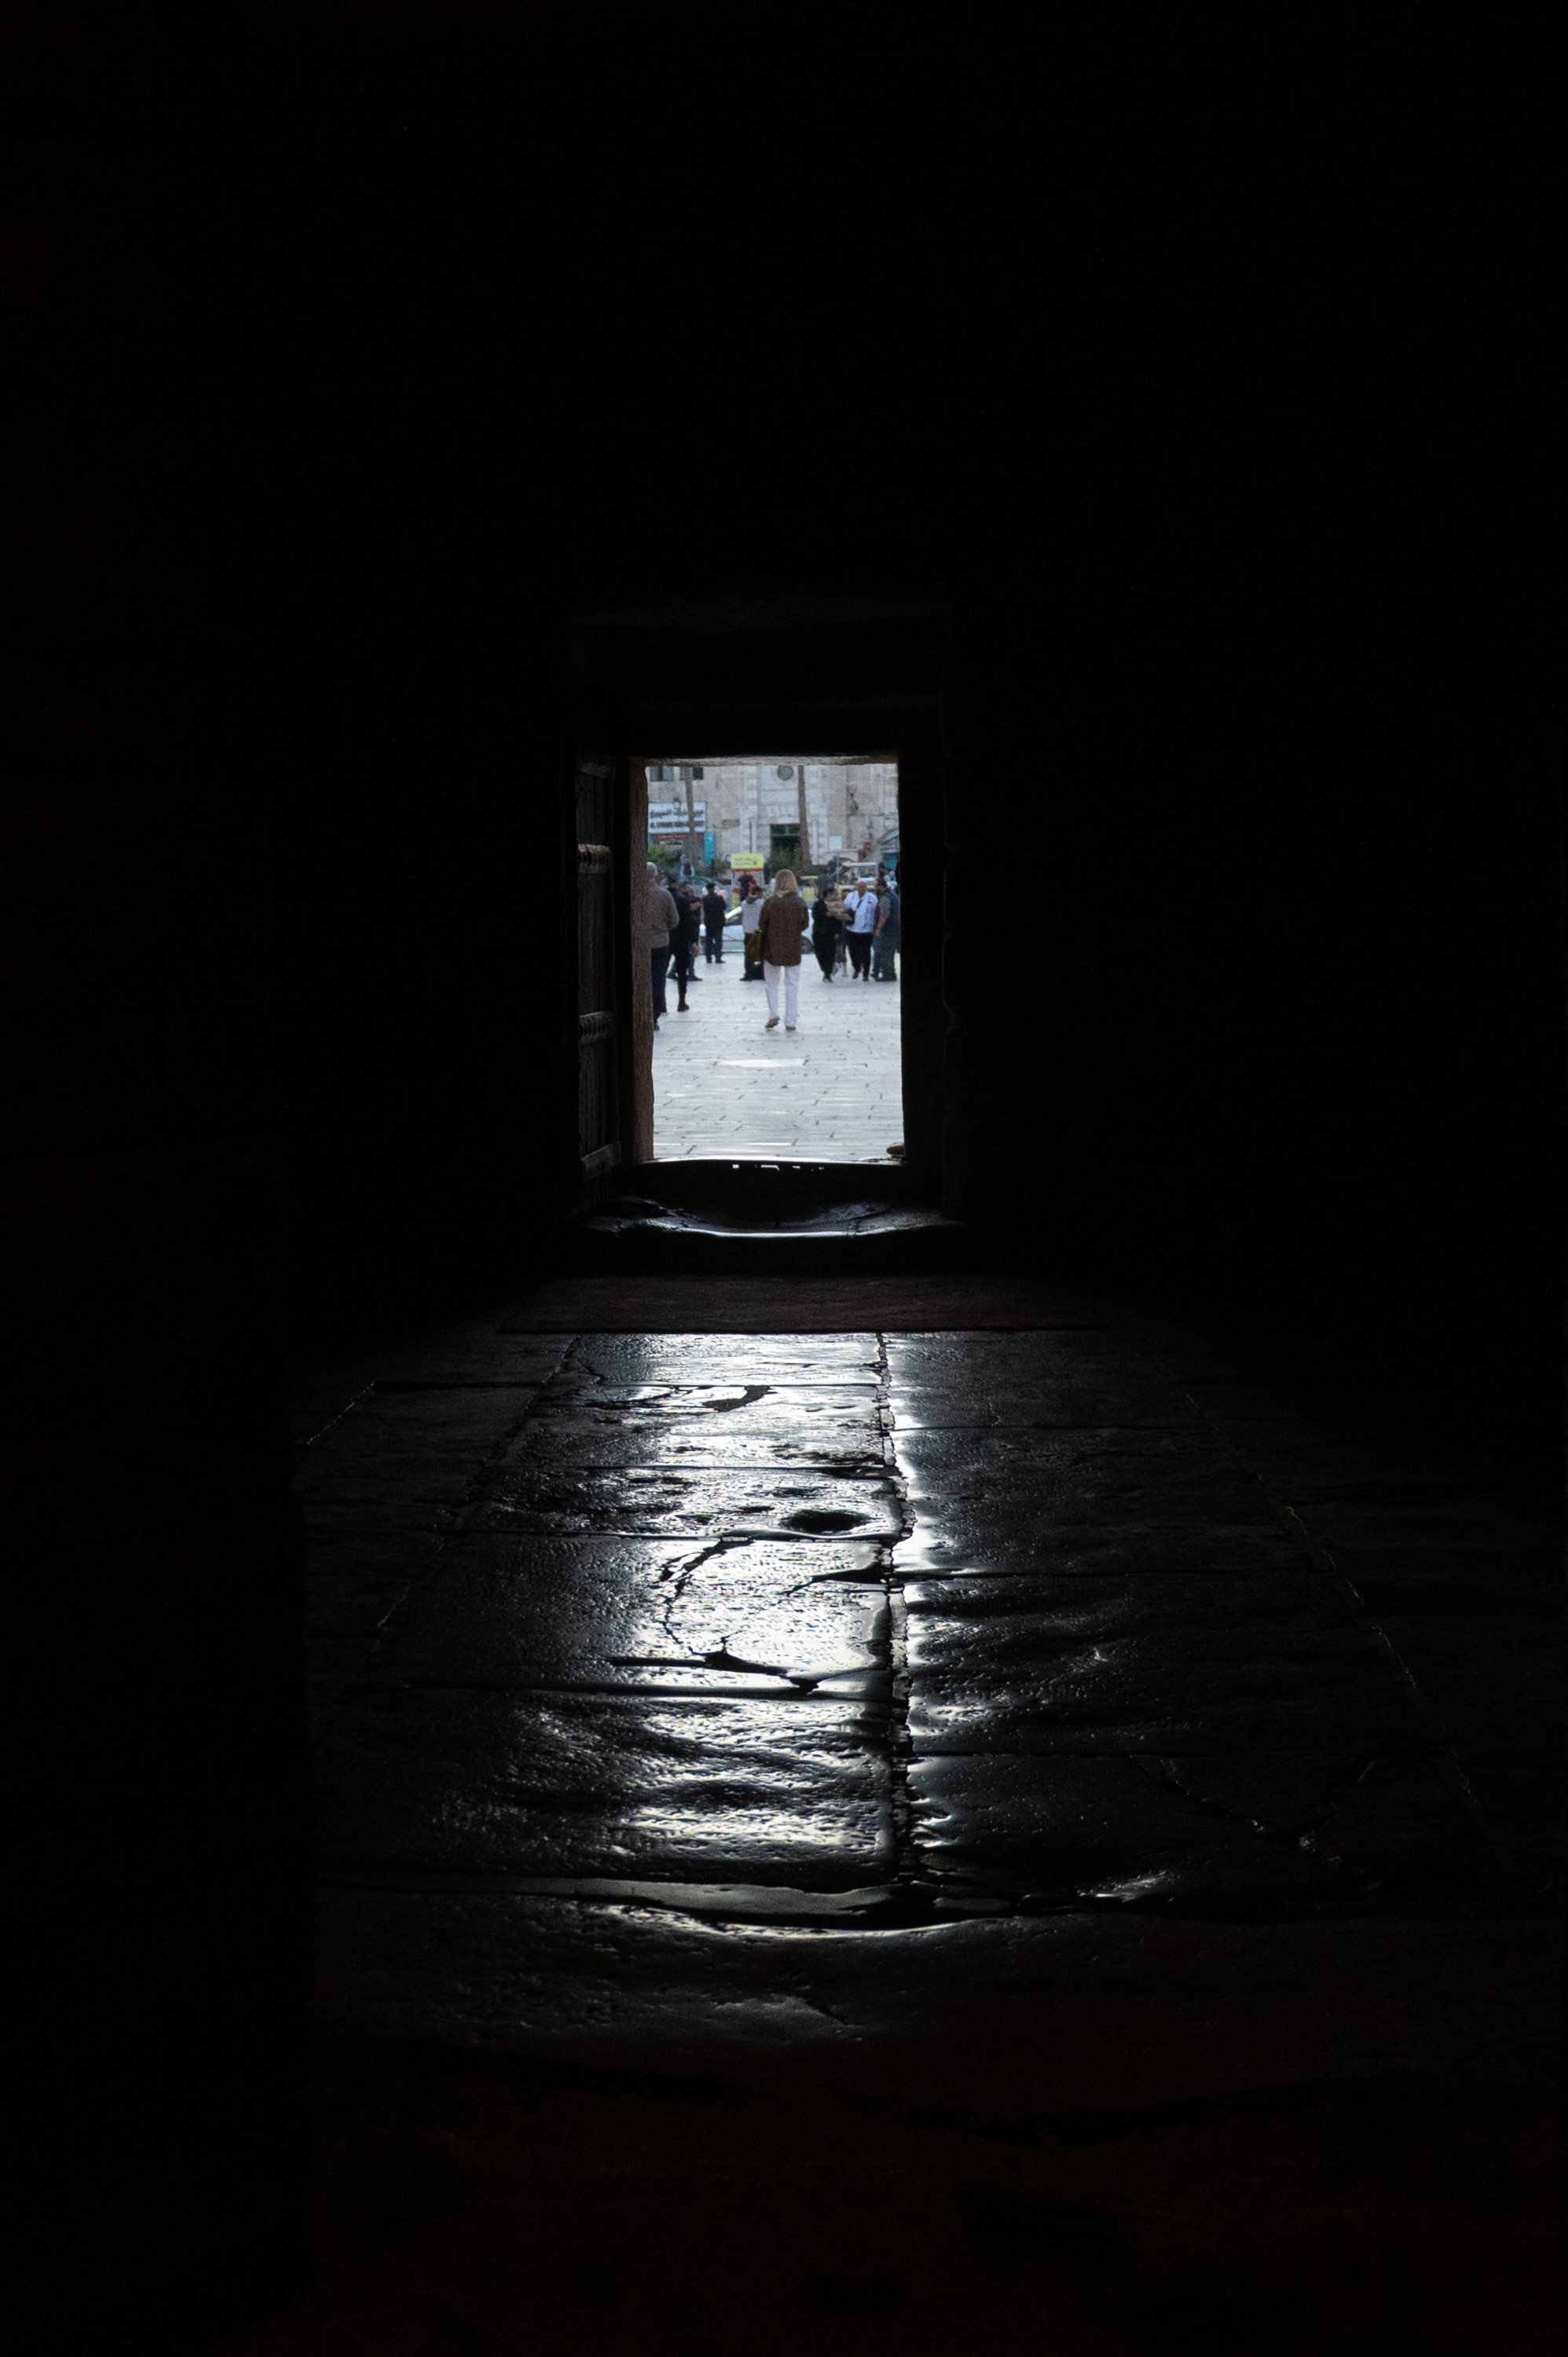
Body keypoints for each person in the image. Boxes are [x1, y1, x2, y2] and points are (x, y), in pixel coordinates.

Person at [755, 867, 808, 1032]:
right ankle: (791, 1021)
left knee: (771, 983)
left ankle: (773, 1014)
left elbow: (761, 925)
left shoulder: (771, 902)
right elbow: (804, 925)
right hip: (792, 948)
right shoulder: (800, 902)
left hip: (772, 948)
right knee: (792, 984)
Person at [644, 861, 678, 1028]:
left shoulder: (636, 895)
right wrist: (662, 929)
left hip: (640, 945)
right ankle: (654, 1016)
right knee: (657, 980)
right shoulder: (664, 895)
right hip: (660, 944)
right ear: (655, 875)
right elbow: (674, 920)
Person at [670, 882, 701, 1009]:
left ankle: (662, 1004)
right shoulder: (682, 900)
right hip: (681, 939)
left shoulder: (665, 896)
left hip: (664, 938)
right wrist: (693, 941)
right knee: (682, 972)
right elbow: (688, 921)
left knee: (659, 973)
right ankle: (681, 1001)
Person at [811, 882, 844, 981]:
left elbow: (839, 920)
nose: (837, 896)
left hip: (831, 933)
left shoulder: (837, 905)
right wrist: (826, 914)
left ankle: (828, 973)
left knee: (830, 953)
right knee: (820, 952)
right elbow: (815, 916)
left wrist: (838, 932)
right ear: (829, 895)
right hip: (819, 932)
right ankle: (825, 969)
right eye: (835, 894)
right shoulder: (819, 904)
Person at [846, 877, 877, 978]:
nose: (861, 888)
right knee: (853, 951)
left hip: (866, 930)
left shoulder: (872, 898)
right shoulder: (851, 896)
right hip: (852, 929)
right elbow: (846, 909)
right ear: (856, 887)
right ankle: (857, 968)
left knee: (866, 952)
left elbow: (876, 912)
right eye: (859, 886)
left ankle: (866, 973)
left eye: (863, 886)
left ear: (866, 888)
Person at [873, 878, 901, 981]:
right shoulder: (894, 895)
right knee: (890, 953)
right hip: (894, 929)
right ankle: (891, 973)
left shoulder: (885, 897)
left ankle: (887, 975)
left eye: (876, 887)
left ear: (880, 886)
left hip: (887, 930)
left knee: (884, 952)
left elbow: (884, 915)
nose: (875, 889)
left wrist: (878, 928)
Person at [740, 873, 766, 980]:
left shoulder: (744, 903)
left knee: (748, 954)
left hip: (748, 932)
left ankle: (748, 974)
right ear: (758, 893)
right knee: (762, 953)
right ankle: (762, 974)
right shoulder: (762, 903)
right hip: (759, 932)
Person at [702, 879, 728, 962]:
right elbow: (725, 907)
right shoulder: (719, 898)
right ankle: (718, 958)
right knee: (718, 941)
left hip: (709, 922)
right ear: (713, 889)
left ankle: (708, 958)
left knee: (708, 941)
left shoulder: (704, 899)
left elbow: (704, 910)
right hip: (718, 922)